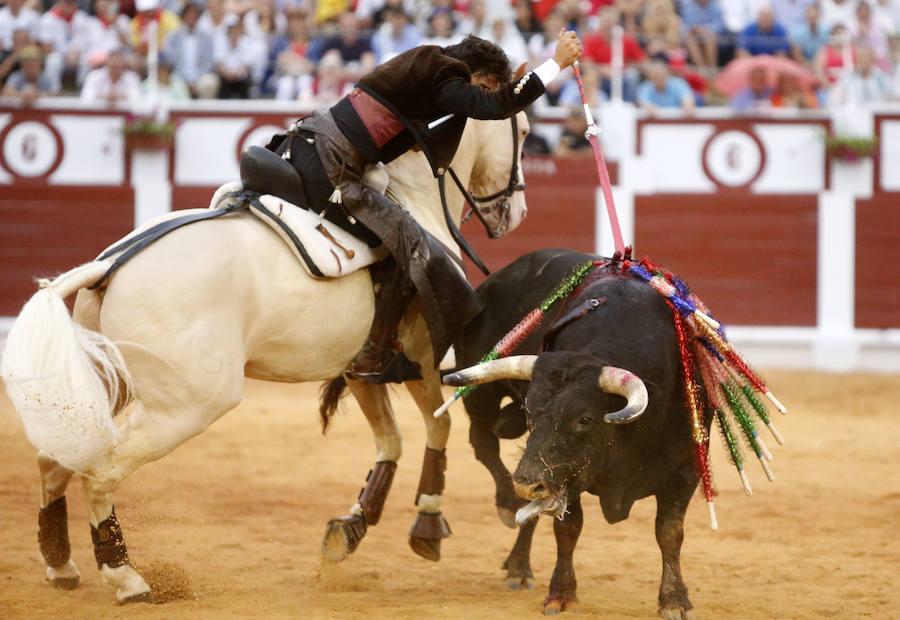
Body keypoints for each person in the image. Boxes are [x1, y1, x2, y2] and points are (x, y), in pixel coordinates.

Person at [264, 32, 583, 383]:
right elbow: (493, 107)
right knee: (410, 240)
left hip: (309, 147)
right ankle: (372, 349)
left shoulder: (425, 65)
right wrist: (555, 64)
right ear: (474, 75)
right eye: (486, 86)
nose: (482, 95)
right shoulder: (445, 73)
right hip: (331, 164)